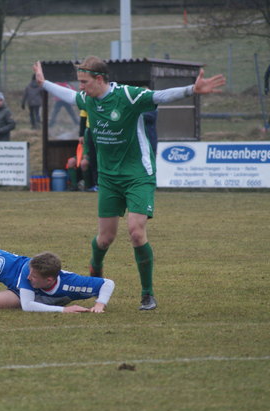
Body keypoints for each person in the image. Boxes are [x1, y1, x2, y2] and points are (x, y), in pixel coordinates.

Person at [34, 57, 225, 310]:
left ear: (99, 79)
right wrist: (43, 82)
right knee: (104, 239)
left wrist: (192, 90)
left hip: (138, 175)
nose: (80, 87)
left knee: (136, 232)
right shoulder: (88, 99)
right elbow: (68, 96)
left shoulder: (127, 96)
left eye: (84, 82)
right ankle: (96, 273)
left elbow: (161, 96)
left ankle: (147, 294)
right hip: (109, 178)